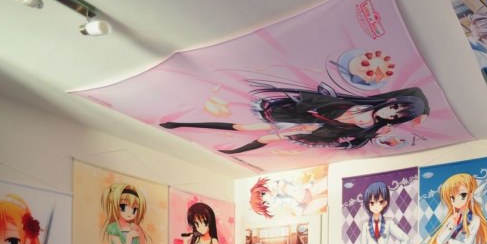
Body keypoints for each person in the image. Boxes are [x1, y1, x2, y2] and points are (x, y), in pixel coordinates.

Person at [160, 84, 429, 154]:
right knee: (243, 126)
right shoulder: (365, 102)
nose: (392, 112)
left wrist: (376, 134)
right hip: (303, 115)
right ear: (392, 102)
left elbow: (347, 141)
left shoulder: (370, 128)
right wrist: (425, 110)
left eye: (397, 115)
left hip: (312, 129)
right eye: (395, 107)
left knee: (268, 137)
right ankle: (181, 124)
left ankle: (233, 151)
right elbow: (415, 91)